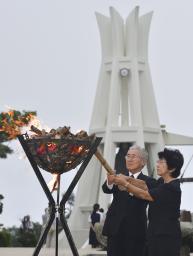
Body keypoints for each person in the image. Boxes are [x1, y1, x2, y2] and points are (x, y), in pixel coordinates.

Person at [114, 147, 184, 256]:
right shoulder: (162, 182)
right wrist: (127, 178)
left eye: (161, 162)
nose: (157, 165)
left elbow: (144, 194)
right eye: (158, 161)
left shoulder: (171, 188)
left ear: (172, 168)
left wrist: (125, 184)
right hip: (154, 234)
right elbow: (145, 185)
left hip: (166, 237)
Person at [102, 145, 155, 256]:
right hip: (115, 229)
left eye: (133, 157)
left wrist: (126, 184)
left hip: (135, 231)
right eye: (128, 156)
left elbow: (145, 194)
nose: (129, 159)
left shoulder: (149, 181)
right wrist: (110, 182)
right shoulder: (119, 176)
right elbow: (106, 189)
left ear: (143, 162)